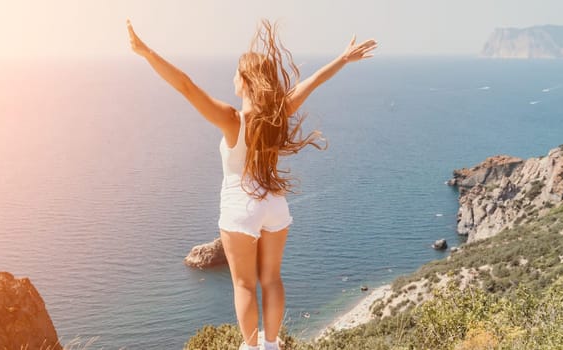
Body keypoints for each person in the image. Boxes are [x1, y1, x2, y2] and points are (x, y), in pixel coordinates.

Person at [127, 19, 376, 350]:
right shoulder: (278, 114)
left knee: (243, 284)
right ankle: (271, 344)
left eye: (235, 74)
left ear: (244, 81)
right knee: (271, 279)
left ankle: (251, 346)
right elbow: (313, 82)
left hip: (239, 209)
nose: (232, 78)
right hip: (274, 205)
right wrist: (343, 59)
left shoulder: (232, 120)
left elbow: (185, 86)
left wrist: (147, 53)